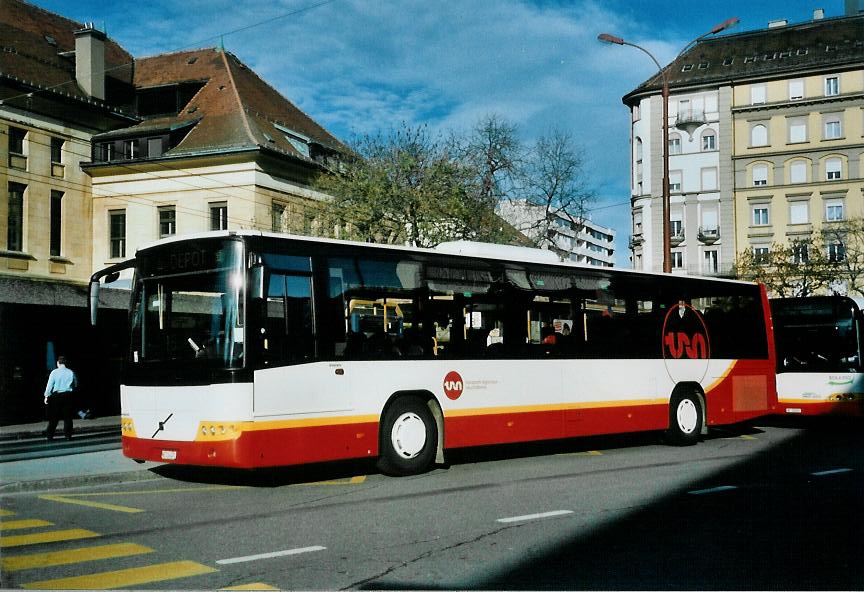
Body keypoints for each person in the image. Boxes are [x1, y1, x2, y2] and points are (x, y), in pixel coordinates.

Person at [44, 356, 77, 441]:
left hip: (57, 395)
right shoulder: (71, 372)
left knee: (54, 416)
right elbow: (75, 384)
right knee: (68, 416)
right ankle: (68, 435)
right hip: (68, 395)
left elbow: (49, 385)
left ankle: (50, 435)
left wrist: (46, 395)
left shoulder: (54, 372)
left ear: (58, 363)